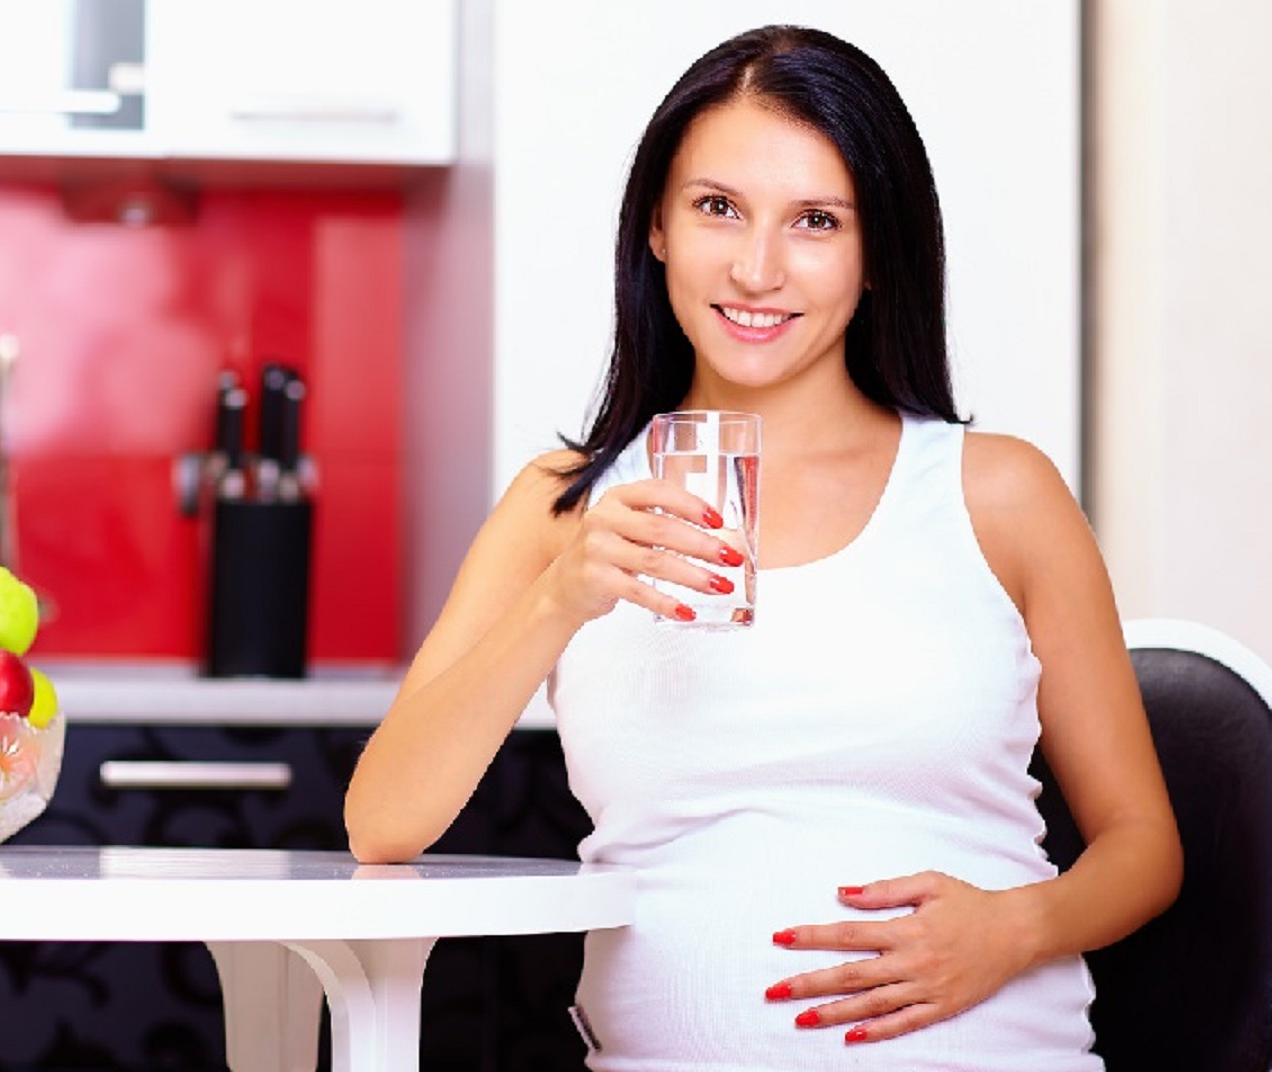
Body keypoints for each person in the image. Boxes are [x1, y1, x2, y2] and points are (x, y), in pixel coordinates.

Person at [344, 23, 1181, 1070]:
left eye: (816, 221)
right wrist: (559, 599)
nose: (755, 267)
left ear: (878, 255)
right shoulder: (563, 507)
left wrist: (1013, 928)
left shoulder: (996, 493)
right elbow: (382, 825)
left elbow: (1144, 847)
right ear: (656, 224)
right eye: (717, 207)